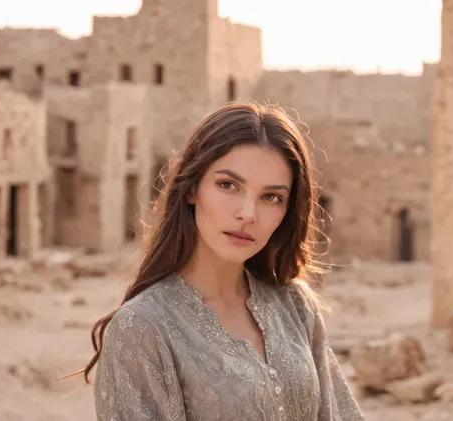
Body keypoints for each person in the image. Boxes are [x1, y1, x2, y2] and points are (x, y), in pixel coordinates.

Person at [77, 102, 366, 420]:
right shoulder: (143, 328)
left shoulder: (295, 306)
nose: (247, 214)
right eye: (228, 185)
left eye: (271, 197)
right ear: (191, 189)